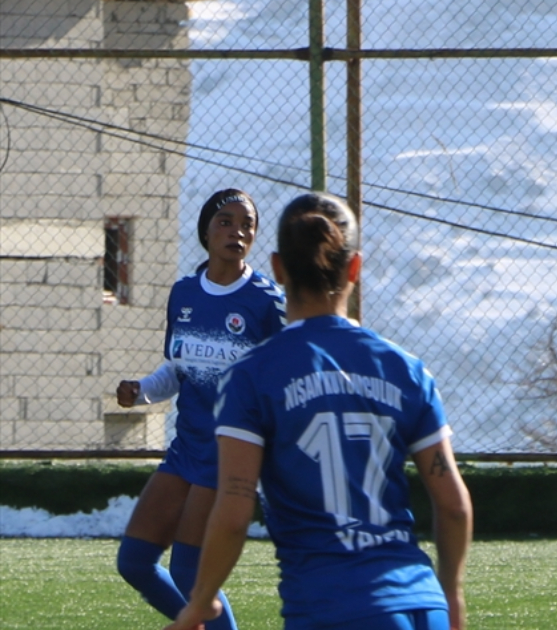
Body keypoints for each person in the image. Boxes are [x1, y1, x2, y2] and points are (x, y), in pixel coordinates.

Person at [164, 192, 473, 630]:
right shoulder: (405, 368)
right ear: (355, 269)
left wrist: (200, 602)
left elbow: (233, 511)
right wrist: (452, 595)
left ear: (278, 269)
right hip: (424, 605)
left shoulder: (253, 375)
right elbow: (454, 505)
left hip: (330, 607)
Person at [115, 188, 285, 630]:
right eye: (226, 221)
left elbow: (285, 378)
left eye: (247, 224)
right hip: (187, 448)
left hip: (231, 454)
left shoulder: (267, 302)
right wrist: (142, 390)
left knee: (189, 572)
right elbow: (179, 369)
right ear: (205, 231)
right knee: (134, 561)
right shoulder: (185, 293)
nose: (237, 232)